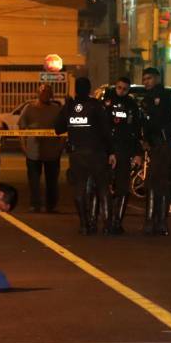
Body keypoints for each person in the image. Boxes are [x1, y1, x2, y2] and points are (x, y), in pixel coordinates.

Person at [54, 77, 115, 235]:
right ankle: (107, 225)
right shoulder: (96, 105)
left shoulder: (70, 107)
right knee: (102, 188)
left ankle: (84, 225)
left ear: (75, 90)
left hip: (77, 154)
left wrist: (67, 108)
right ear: (89, 89)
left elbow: (58, 128)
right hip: (97, 153)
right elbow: (106, 131)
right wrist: (111, 151)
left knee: (79, 189)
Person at [140, 67, 171, 236]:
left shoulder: (164, 98)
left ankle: (158, 222)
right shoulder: (147, 98)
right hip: (155, 145)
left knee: (158, 183)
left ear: (157, 78)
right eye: (144, 79)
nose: (145, 81)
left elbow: (170, 122)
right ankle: (154, 221)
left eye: (149, 78)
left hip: (163, 145)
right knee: (154, 183)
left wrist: (158, 134)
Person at [104, 77, 142, 234]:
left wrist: (138, 153)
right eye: (119, 87)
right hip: (107, 150)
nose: (121, 91)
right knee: (104, 187)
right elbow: (102, 128)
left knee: (123, 188)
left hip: (125, 150)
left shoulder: (132, 105)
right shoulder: (107, 102)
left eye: (125, 89)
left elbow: (136, 130)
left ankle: (117, 222)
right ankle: (106, 222)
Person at [20, 84, 64, 213]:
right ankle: (35, 204)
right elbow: (21, 128)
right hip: (33, 152)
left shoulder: (57, 110)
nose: (45, 94)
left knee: (52, 181)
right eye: (43, 91)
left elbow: (64, 130)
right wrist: (23, 146)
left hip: (52, 152)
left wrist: (60, 146)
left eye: (48, 92)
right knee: (34, 181)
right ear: (37, 93)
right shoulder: (29, 109)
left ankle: (51, 206)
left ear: (51, 94)